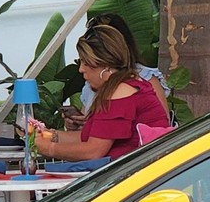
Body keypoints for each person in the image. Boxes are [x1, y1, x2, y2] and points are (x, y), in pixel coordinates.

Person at [30, 23, 170, 161]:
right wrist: (49, 135)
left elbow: (94, 150)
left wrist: (49, 148)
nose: (81, 69)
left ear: (105, 65)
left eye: (86, 63)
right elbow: (90, 136)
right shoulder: (123, 85)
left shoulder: (121, 91)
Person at [66, 14, 172, 129]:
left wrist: (52, 145)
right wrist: (78, 124)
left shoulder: (143, 79)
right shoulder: (91, 84)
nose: (81, 69)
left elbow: (162, 129)